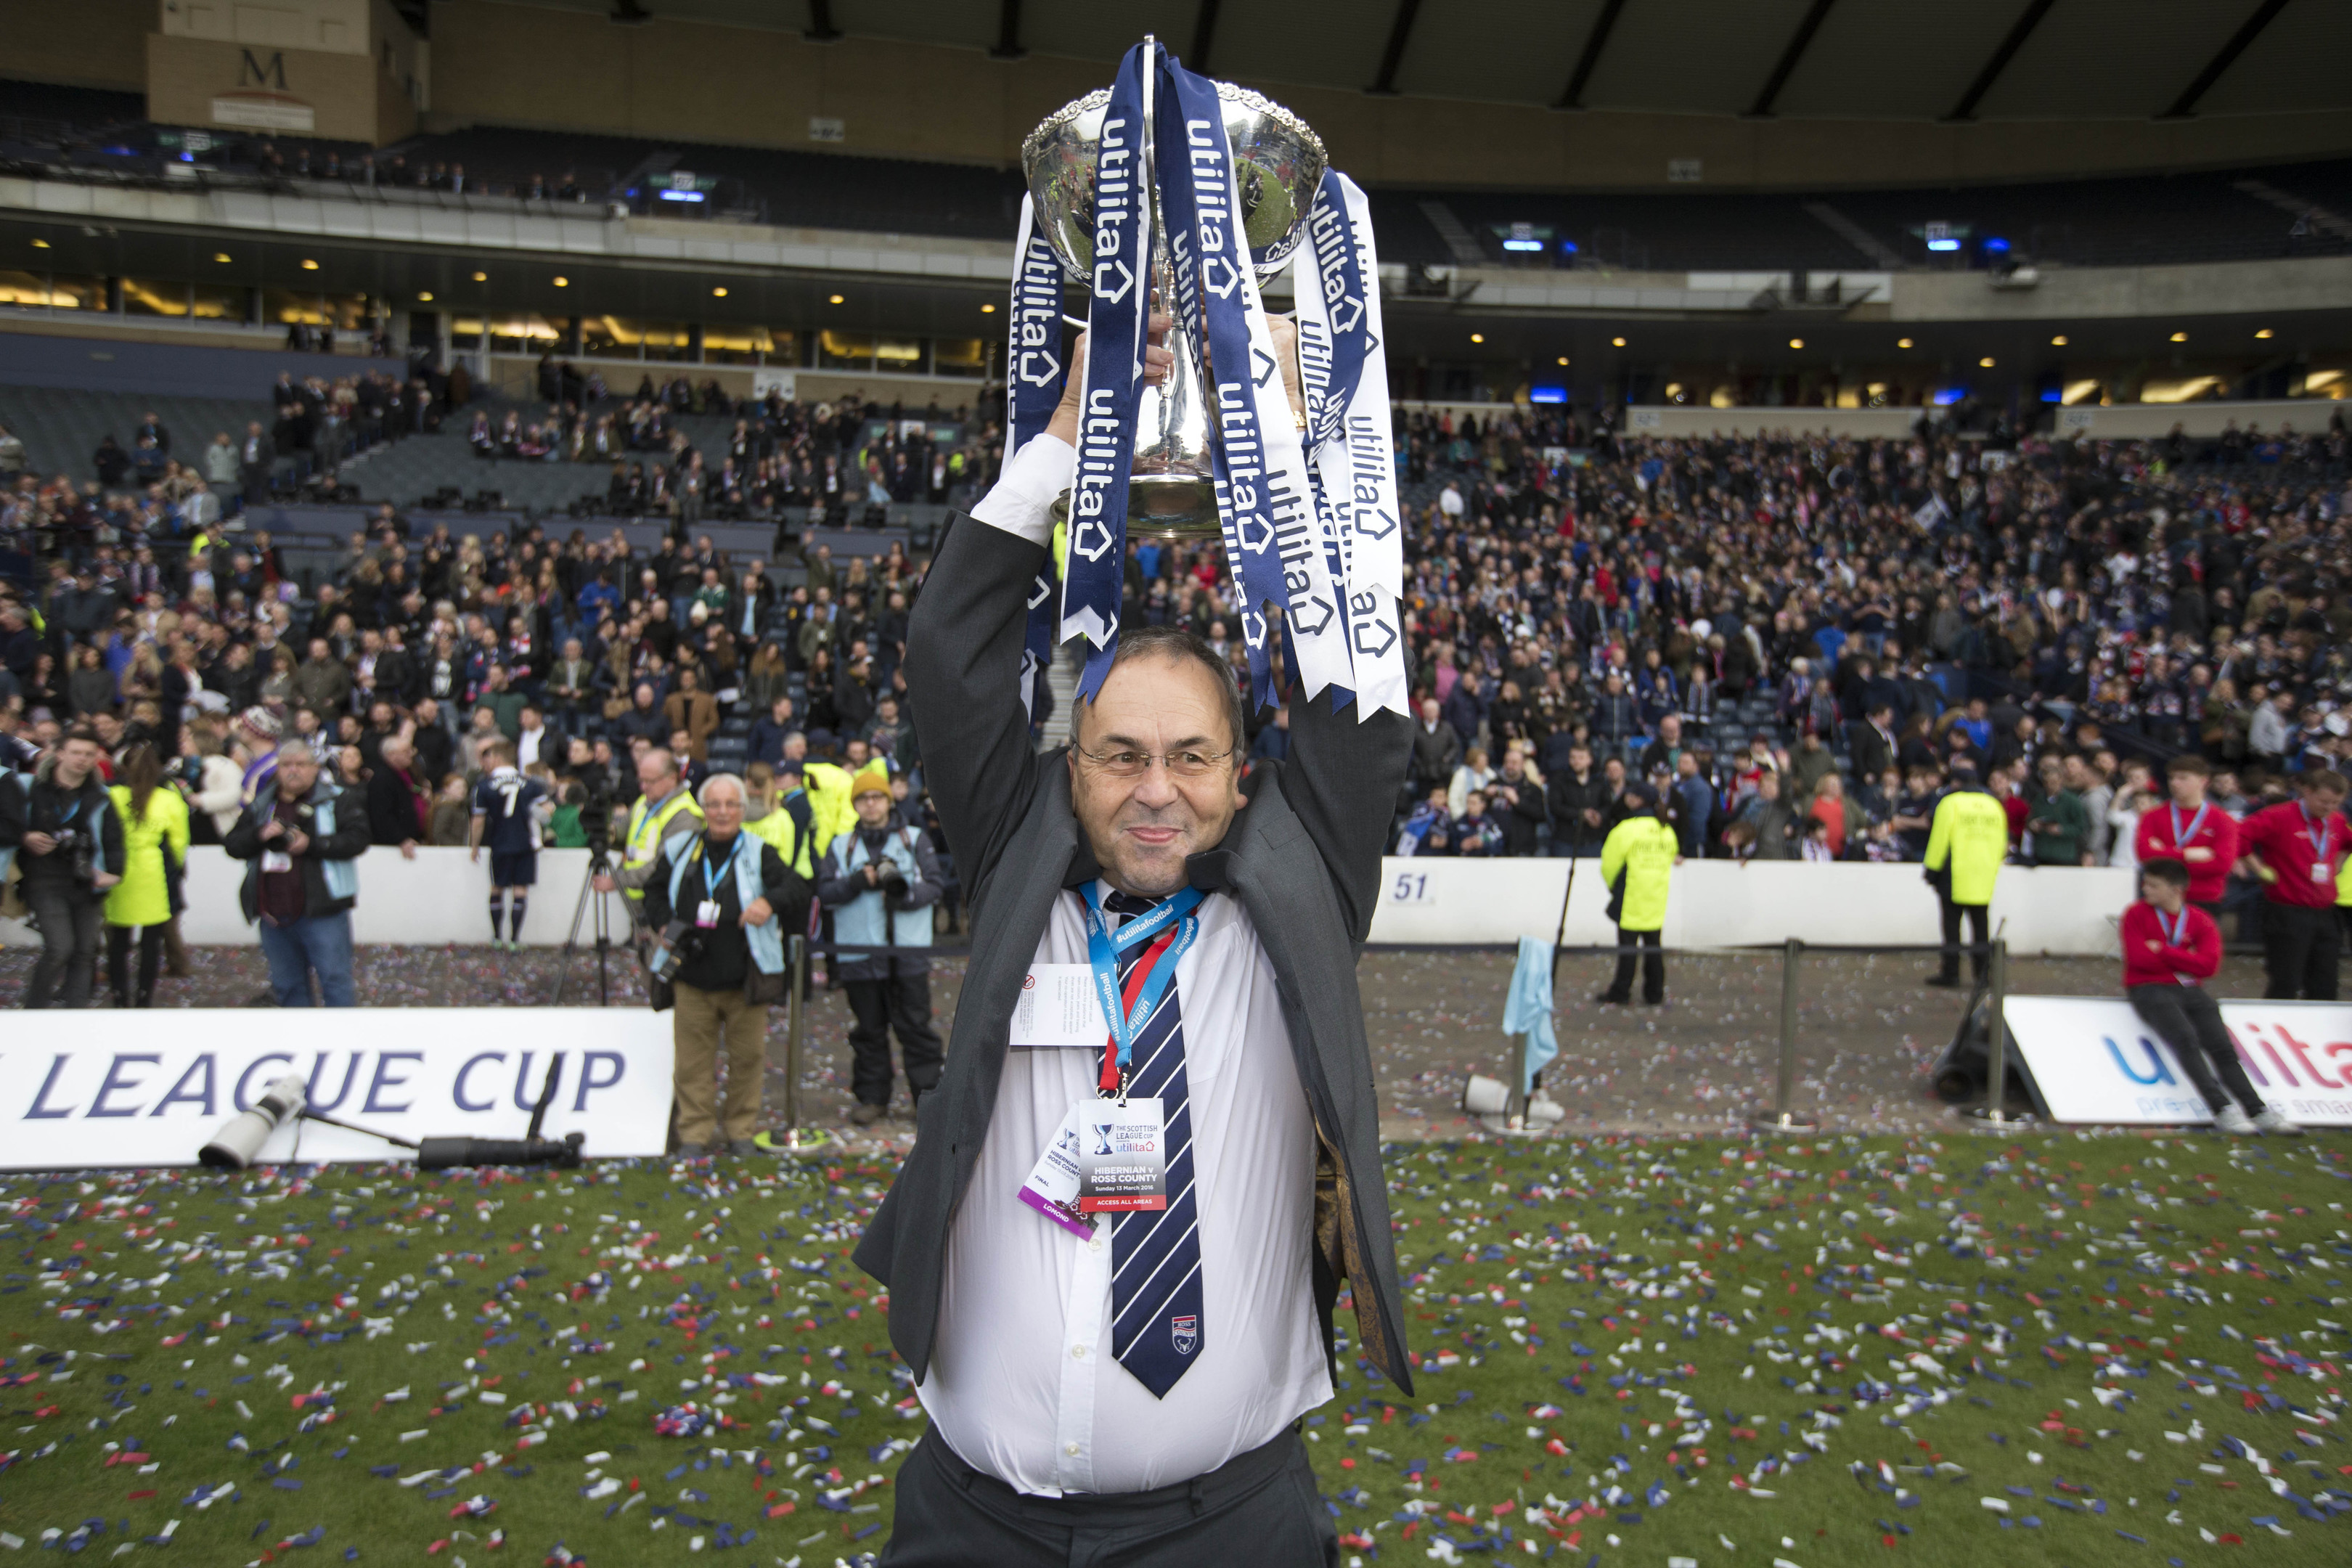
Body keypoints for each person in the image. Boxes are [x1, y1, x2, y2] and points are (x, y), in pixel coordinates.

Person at [857, 316, 1408, 1564]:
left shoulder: (1300, 892)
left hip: (1228, 1527)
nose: (1155, 790)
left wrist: (1266, 421)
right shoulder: (1017, 865)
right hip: (974, 1524)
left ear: (1241, 775)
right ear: (1073, 770)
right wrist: (1063, 440)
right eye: (1121, 757)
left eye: (1189, 757)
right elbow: (951, 657)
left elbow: (1361, 708)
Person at [639, 772, 809, 1158]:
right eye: (714, 804)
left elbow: (797, 886)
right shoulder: (681, 846)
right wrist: (662, 922)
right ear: (703, 809)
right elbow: (651, 890)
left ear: (742, 809)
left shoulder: (758, 849)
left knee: (747, 1059)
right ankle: (695, 1135)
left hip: (744, 978)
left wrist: (769, 903)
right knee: (692, 1064)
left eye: (731, 804)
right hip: (690, 977)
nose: (722, 812)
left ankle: (740, 1131)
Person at [2123, 857, 2296, 1135]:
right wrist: (2185, 959)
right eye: (2146, 883)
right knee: (2186, 1040)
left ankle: (2257, 1109)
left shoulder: (2199, 919)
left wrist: (2164, 951)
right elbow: (2139, 959)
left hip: (2190, 989)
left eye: (2154, 885)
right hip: (2150, 989)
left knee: (2223, 1048)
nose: (2146, 890)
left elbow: (2210, 966)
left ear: (2176, 889)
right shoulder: (2135, 914)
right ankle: (2222, 1108)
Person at [817, 760, 947, 1125]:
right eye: (864, 798)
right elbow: (825, 894)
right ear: (855, 804)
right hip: (860, 953)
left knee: (916, 1030)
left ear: (889, 801)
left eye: (878, 797)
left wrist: (904, 897)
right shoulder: (841, 846)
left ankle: (926, 1101)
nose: (871, 804)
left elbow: (935, 886)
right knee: (868, 1031)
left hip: (908, 954)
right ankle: (872, 1099)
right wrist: (857, 882)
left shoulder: (914, 839)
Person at [222, 740, 369, 1007]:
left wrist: (310, 844)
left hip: (323, 911)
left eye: (301, 765)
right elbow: (233, 845)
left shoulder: (337, 798)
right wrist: (260, 835)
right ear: (277, 770)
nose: (293, 771)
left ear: (314, 769)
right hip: (274, 915)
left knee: (335, 982)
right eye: (287, 765)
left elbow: (358, 840)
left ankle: (342, 1043)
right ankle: (302, 1044)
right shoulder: (262, 804)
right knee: (288, 987)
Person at [1, 727, 125, 1008]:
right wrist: (25, 837)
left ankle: (76, 1011)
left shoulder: (101, 796)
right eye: (76, 753)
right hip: (43, 878)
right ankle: (35, 1008)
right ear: (60, 754)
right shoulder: (28, 787)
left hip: (86, 880)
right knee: (60, 947)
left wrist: (115, 873)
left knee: (86, 951)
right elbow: (8, 824)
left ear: (97, 758)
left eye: (88, 754)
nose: (82, 759)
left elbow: (113, 839)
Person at [2235, 767, 2348, 1000]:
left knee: (2325, 982)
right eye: (2323, 801)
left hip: (2325, 912)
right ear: (2307, 792)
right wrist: (2257, 867)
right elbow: (2239, 835)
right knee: (2286, 980)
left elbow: (2347, 842)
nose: (2328, 808)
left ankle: (2318, 1031)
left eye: (2335, 803)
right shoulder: (2278, 815)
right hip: (2288, 911)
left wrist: (2337, 864)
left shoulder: (2336, 820)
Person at [103, 742, 188, 1010]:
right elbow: (179, 842)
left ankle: (119, 997)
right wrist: (176, 867)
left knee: (118, 941)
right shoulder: (169, 797)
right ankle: (143, 999)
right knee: (151, 941)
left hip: (119, 873)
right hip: (153, 872)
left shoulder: (111, 794)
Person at [1923, 757, 2008, 988]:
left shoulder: (1950, 803)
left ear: (1956, 783)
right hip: (1983, 876)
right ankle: (1983, 976)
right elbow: (2002, 844)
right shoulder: (1994, 806)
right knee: (1981, 928)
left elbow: (1939, 839)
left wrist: (1931, 870)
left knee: (1952, 928)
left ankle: (1951, 973)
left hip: (1954, 874)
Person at [596, 746, 703, 927]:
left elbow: (663, 865)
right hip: (639, 901)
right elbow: (622, 834)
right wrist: (606, 833)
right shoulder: (644, 802)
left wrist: (618, 880)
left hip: (664, 904)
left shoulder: (685, 815)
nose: (643, 787)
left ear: (671, 778)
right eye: (641, 780)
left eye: (650, 781)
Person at [1596, 780, 1678, 1005]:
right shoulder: (1666, 830)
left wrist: (1614, 887)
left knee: (1628, 948)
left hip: (1631, 895)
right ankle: (1655, 993)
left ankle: (1621, 992)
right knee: (1654, 947)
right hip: (1656, 895)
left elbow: (1609, 864)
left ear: (1636, 799)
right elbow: (1671, 857)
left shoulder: (1626, 829)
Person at [470, 740, 551, 950]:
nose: (485, 763)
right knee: (520, 890)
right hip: (526, 843)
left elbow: (478, 820)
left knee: (497, 887)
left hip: (500, 843)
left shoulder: (484, 786)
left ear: (496, 757)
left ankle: (497, 937)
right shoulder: (531, 784)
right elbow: (548, 810)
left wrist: (474, 845)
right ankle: (515, 940)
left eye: (487, 758)